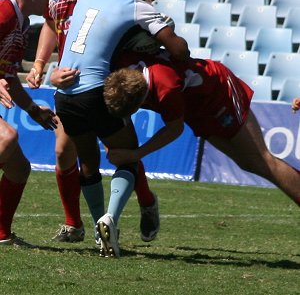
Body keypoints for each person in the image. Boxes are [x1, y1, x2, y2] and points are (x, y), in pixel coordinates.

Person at [26, 0, 159, 244]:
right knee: (66, 152)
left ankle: (144, 202)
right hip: (67, 80)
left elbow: (132, 17)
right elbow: (53, 27)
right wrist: (43, 64)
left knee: (119, 149)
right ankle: (77, 223)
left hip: (104, 80)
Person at [102, 49, 300, 256]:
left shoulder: (165, 87)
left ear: (142, 99)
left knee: (262, 161)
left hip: (219, 93)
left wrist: (137, 154)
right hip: (195, 107)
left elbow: (174, 129)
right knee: (247, 163)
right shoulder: (124, 63)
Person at [53, 0, 189, 256]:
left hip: (63, 93)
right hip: (94, 92)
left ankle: (100, 228)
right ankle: (110, 219)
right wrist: (155, 24)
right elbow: (179, 50)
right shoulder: (136, 4)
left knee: (87, 161)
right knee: (126, 156)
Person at [0, 0, 57, 246]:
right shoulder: (4, 13)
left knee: (19, 168)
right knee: (7, 138)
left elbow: (8, 76)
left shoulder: (21, 23)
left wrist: (33, 110)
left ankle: (1, 235)